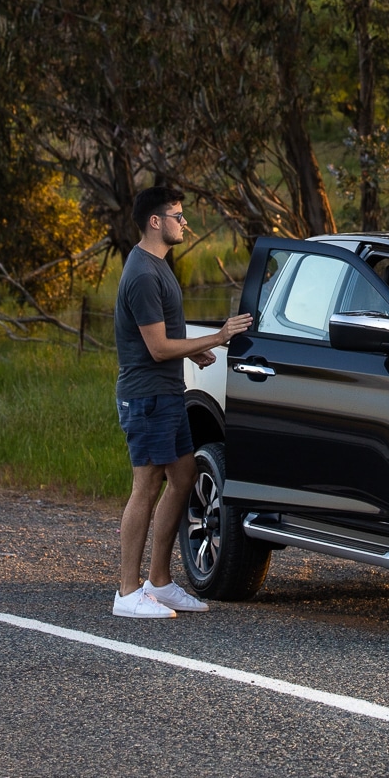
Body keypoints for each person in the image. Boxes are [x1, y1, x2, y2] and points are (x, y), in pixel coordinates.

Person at [113, 185, 252, 618]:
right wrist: (218, 336)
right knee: (147, 484)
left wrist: (193, 348)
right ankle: (127, 591)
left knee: (184, 475)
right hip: (146, 395)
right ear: (155, 221)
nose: (184, 222)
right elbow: (155, 348)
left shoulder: (158, 265)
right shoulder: (141, 274)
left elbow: (162, 339)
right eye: (177, 215)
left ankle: (160, 581)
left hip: (167, 392)